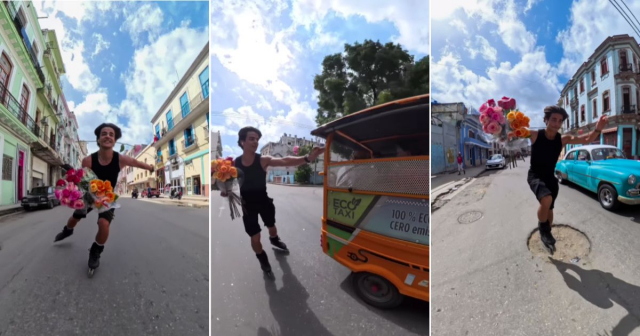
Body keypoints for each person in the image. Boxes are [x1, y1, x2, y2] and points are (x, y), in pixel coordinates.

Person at [222, 126, 323, 274]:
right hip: (247, 206)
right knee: (255, 237)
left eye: (257, 139)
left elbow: (284, 160)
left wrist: (308, 158)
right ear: (242, 142)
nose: (255, 142)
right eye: (251, 138)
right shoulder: (234, 165)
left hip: (264, 201)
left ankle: (274, 239)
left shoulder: (263, 160)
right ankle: (262, 257)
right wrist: (226, 190)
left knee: (271, 226)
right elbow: (228, 182)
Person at [53, 123, 155, 271]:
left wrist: (151, 168)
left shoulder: (120, 159)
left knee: (104, 224)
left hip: (107, 198)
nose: (108, 136)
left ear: (114, 141)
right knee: (75, 217)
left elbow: (136, 162)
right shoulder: (88, 161)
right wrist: (72, 181)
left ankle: (96, 250)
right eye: (104, 134)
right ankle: (67, 230)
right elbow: (83, 180)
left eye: (111, 135)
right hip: (89, 195)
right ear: (98, 140)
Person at [527, 106, 607, 253]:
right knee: (546, 199)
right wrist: (503, 127)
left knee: (550, 208)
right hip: (535, 175)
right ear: (546, 120)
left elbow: (587, 139)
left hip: (550, 177)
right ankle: (543, 229)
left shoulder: (563, 139)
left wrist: (598, 128)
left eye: (559, 121)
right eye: (553, 120)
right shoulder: (534, 135)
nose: (556, 124)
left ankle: (547, 233)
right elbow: (514, 135)